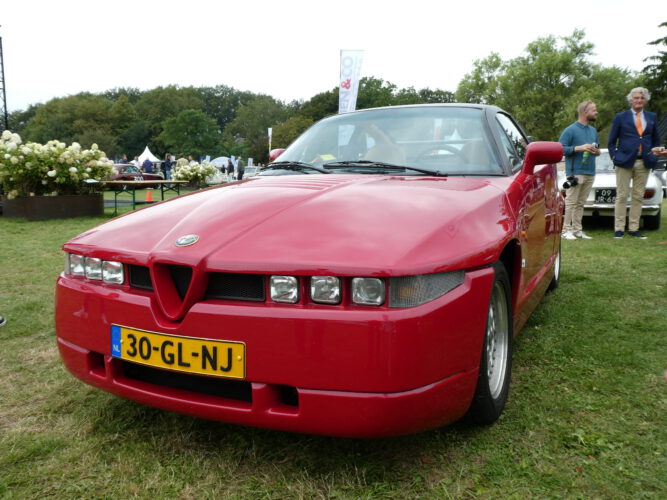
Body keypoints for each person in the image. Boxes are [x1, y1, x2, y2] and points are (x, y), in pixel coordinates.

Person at [608, 87, 661, 239]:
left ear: (645, 100)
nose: (639, 100)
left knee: (638, 196)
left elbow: (656, 139)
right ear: (631, 100)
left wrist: (654, 155)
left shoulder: (651, 117)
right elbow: (611, 141)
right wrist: (615, 157)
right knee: (622, 195)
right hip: (624, 161)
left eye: (642, 98)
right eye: (636, 98)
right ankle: (619, 229)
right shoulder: (620, 117)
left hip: (644, 161)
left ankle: (634, 228)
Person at [558, 101, 600, 240]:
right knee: (570, 202)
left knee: (581, 203)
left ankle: (577, 230)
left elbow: (598, 151)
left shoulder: (593, 130)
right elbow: (560, 149)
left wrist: (596, 151)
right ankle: (565, 231)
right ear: (584, 112)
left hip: (590, 172)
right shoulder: (570, 130)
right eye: (594, 110)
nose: (596, 112)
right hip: (574, 172)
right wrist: (578, 148)